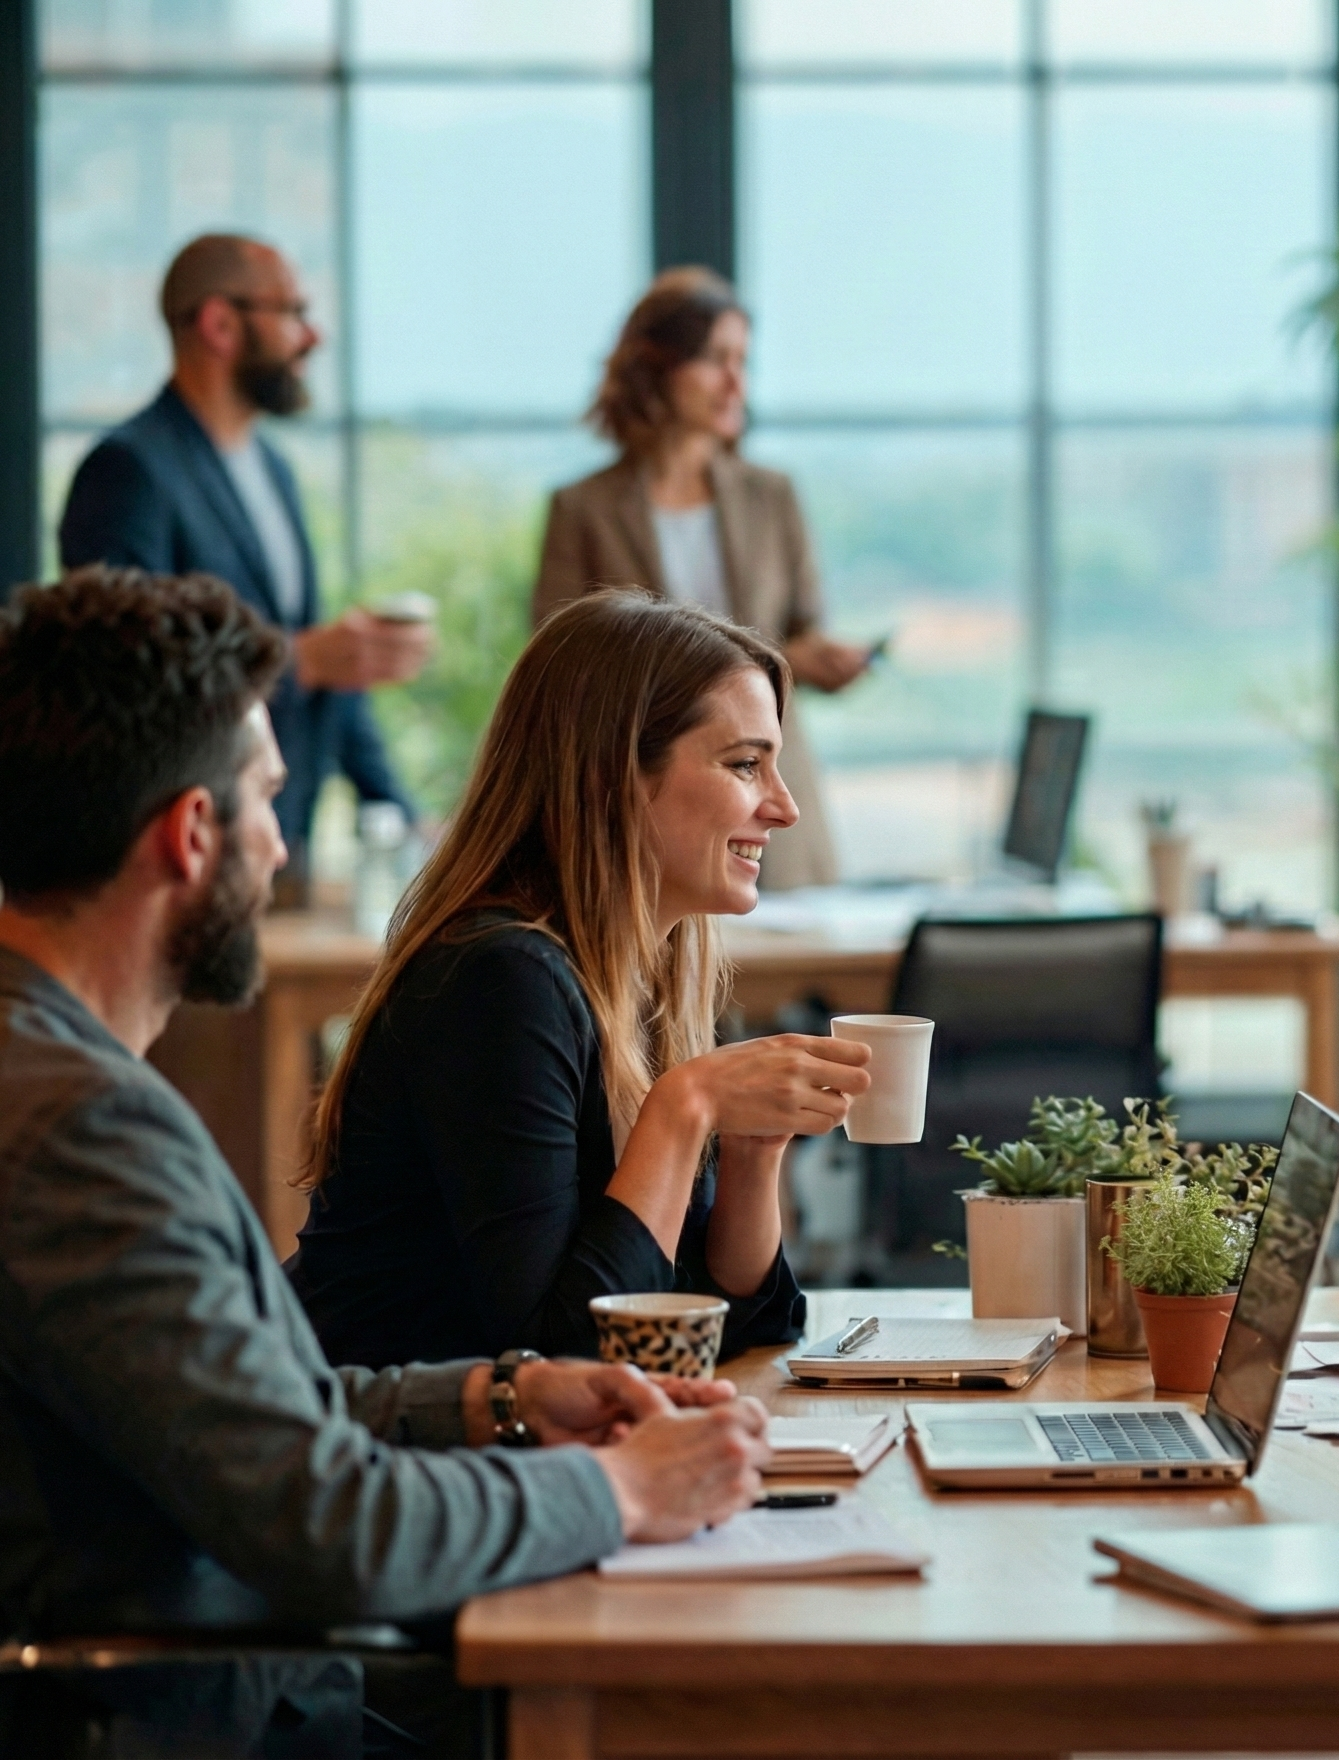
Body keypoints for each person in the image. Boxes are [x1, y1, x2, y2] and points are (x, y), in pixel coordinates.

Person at [0, 566, 774, 1756]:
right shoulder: (78, 1132)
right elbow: (324, 1520)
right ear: (191, 834)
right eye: (270, 796)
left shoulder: (59, 1084)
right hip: (221, 1719)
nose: (280, 835)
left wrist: (499, 1393)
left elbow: (251, 1408)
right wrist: (620, 1490)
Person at [288, 590, 872, 1371]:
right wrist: (686, 1106)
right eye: (743, 765)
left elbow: (738, 1322)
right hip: (386, 1463)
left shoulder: (643, 973)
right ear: (616, 773)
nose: (786, 807)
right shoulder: (499, 979)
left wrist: (753, 1149)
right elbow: (562, 1354)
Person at [57, 232, 427, 859]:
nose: (312, 336)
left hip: (280, 842)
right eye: (294, 312)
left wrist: (400, 816)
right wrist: (301, 660)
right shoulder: (126, 469)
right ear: (221, 324)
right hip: (180, 849)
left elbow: (327, 672)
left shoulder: (273, 469)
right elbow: (119, 671)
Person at [534, 266, 867, 890]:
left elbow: (803, 630)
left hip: (771, 815)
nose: (737, 381)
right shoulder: (582, 510)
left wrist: (820, 660)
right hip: (646, 814)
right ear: (659, 367)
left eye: (744, 360)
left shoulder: (773, 498)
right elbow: (562, 672)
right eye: (717, 359)